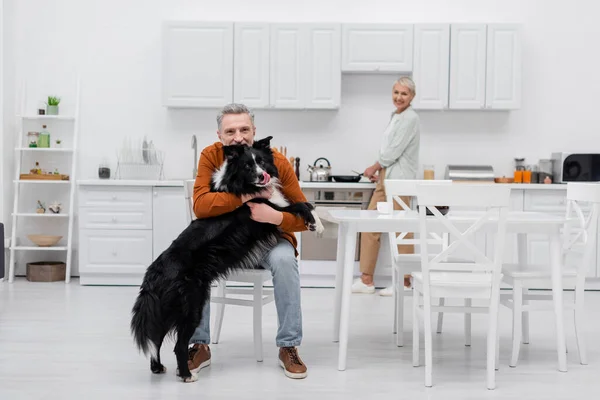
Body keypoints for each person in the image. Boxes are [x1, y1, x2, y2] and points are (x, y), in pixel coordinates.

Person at [187, 103, 309, 379]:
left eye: (244, 129)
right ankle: (199, 344)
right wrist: (246, 197)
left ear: (254, 131)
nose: (238, 136)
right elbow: (201, 206)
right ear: (220, 135)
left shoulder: (275, 159)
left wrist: (275, 217)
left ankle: (288, 346)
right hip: (226, 238)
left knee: (285, 259)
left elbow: (303, 215)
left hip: (269, 238)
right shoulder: (210, 155)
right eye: (230, 131)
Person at [352, 77, 421, 296]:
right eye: (396, 93)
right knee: (370, 224)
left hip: (400, 181)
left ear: (412, 97)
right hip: (387, 177)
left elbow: (393, 151)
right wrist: (380, 172)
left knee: (401, 230)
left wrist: (374, 167)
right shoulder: (397, 116)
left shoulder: (410, 118)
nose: (399, 97)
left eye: (404, 94)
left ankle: (406, 282)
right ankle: (366, 279)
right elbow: (390, 151)